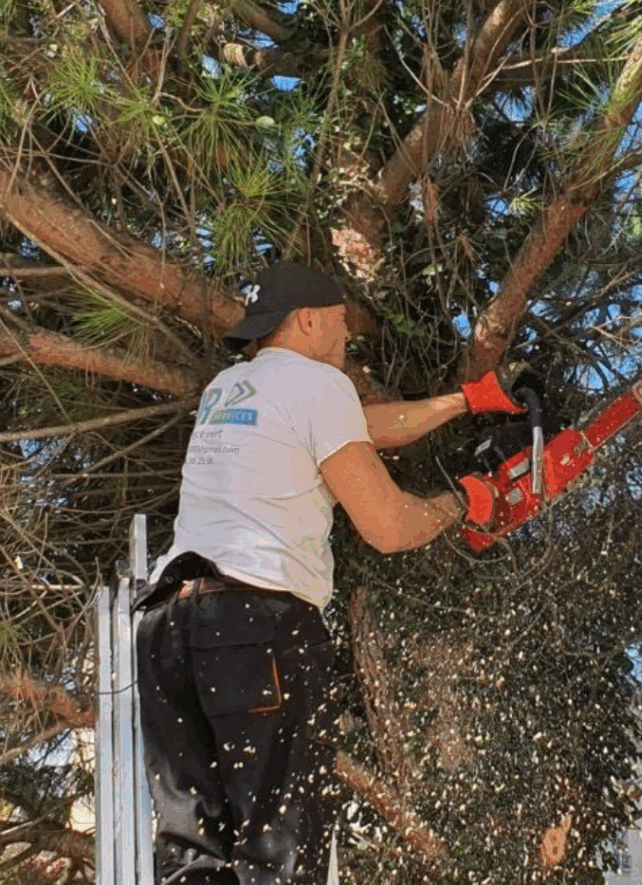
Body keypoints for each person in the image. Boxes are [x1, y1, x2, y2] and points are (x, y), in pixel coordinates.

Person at [135, 261, 523, 885]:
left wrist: (463, 402)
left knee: (191, 860)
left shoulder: (231, 389)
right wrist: (469, 502)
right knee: (279, 856)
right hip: (254, 625)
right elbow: (389, 526)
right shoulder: (317, 386)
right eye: (342, 325)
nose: (347, 341)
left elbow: (359, 430)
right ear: (309, 320)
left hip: (168, 629)